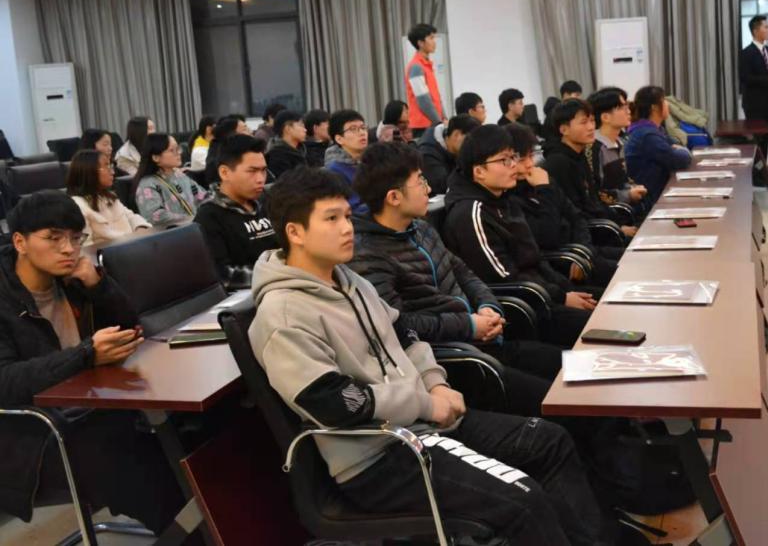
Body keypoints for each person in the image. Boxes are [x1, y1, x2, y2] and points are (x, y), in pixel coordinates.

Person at [249, 167, 615, 546]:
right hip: (381, 457)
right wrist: (426, 404)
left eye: (346, 216)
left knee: (550, 442)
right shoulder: (283, 314)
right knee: (523, 499)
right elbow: (337, 403)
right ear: (295, 232)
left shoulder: (348, 280)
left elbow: (404, 334)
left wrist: (435, 383)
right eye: (331, 219)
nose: (347, 228)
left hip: (423, 424)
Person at [0, 191, 184, 532]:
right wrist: (85, 354)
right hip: (31, 438)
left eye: (75, 238)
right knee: (139, 463)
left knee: (182, 435)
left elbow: (131, 332)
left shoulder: (72, 280)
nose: (68, 249)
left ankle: (206, 525)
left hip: (94, 409)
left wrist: (99, 286)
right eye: (54, 238)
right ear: (20, 242)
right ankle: (192, 532)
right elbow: (6, 382)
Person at [349, 142, 563, 417]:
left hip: (484, 339)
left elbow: (464, 272)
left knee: (568, 367)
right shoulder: (368, 255)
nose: (428, 189)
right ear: (394, 197)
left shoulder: (421, 229)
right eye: (420, 181)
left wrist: (487, 306)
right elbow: (400, 325)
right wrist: (469, 326)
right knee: (560, 399)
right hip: (457, 359)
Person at [443, 125, 595, 348]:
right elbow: (505, 278)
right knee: (600, 325)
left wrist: (565, 291)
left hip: (543, 295)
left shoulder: (503, 198)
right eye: (504, 160)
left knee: (608, 305)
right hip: (522, 311)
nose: (514, 165)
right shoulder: (470, 214)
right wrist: (562, 298)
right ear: (479, 171)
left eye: (513, 157)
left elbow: (535, 257)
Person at [506, 123, 618, 287]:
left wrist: (584, 250)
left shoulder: (543, 180)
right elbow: (547, 237)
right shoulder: (512, 197)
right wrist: (544, 190)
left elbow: (577, 216)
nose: (530, 164)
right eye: (522, 160)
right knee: (625, 274)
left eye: (531, 156)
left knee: (634, 261)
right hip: (559, 264)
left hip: (581, 252)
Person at [542, 99, 637, 235]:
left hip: (599, 225)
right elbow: (574, 212)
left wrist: (619, 224)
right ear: (564, 129)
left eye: (592, 121)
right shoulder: (558, 163)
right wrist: (619, 230)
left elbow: (594, 200)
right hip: (585, 234)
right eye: (583, 122)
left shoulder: (579, 154)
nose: (591, 127)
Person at [194, 135, 276, 285]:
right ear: (224, 173)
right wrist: (278, 275)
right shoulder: (209, 216)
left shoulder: (267, 201)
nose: (260, 179)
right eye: (252, 171)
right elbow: (223, 275)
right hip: (255, 291)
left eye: (263, 171)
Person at [624, 86, 692, 208]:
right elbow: (680, 159)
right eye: (664, 100)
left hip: (659, 192)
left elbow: (677, 147)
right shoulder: (647, 135)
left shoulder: (655, 129)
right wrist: (683, 151)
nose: (667, 104)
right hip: (650, 200)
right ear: (654, 107)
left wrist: (679, 149)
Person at [66, 150, 151, 246]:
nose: (112, 172)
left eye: (111, 166)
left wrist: (140, 229)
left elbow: (131, 216)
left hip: (132, 245)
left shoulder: (108, 196)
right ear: (89, 171)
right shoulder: (78, 206)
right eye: (106, 166)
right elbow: (86, 247)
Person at [739, 15, 768, 167]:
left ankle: (762, 172)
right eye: (766, 27)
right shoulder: (746, 53)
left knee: (766, 139)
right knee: (757, 141)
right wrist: (767, 79)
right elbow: (745, 78)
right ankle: (754, 173)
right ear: (755, 31)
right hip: (753, 105)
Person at [588, 88, 647, 209]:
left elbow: (622, 180)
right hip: (609, 213)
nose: (628, 111)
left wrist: (634, 188)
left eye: (627, 106)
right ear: (605, 117)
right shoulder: (594, 147)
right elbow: (595, 192)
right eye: (622, 107)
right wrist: (628, 195)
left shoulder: (620, 142)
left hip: (625, 208)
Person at [134, 133, 210, 226]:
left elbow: (203, 197)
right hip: (173, 233)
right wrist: (192, 219)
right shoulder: (147, 185)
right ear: (156, 157)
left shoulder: (180, 175)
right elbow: (155, 217)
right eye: (172, 150)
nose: (179, 153)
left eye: (178, 149)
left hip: (194, 227)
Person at [419, 114, 481, 194]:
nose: (472, 147)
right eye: (469, 141)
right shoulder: (428, 153)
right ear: (456, 134)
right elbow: (443, 186)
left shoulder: (454, 148)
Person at [325, 109, 369, 215]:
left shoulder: (370, 162)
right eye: (353, 129)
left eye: (363, 128)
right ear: (339, 139)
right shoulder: (335, 171)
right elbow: (351, 209)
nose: (362, 133)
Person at [404, 23, 445, 136]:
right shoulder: (416, 66)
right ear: (420, 43)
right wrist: (439, 122)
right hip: (423, 125)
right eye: (431, 38)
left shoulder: (426, 65)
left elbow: (436, 97)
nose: (434, 42)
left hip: (433, 123)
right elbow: (423, 100)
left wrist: (444, 117)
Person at [205, 115, 251, 186]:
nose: (250, 132)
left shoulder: (243, 151)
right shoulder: (219, 160)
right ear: (232, 135)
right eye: (245, 129)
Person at [265, 110, 309, 178]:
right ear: (288, 128)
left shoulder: (303, 149)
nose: (305, 130)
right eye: (301, 125)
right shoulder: (277, 156)